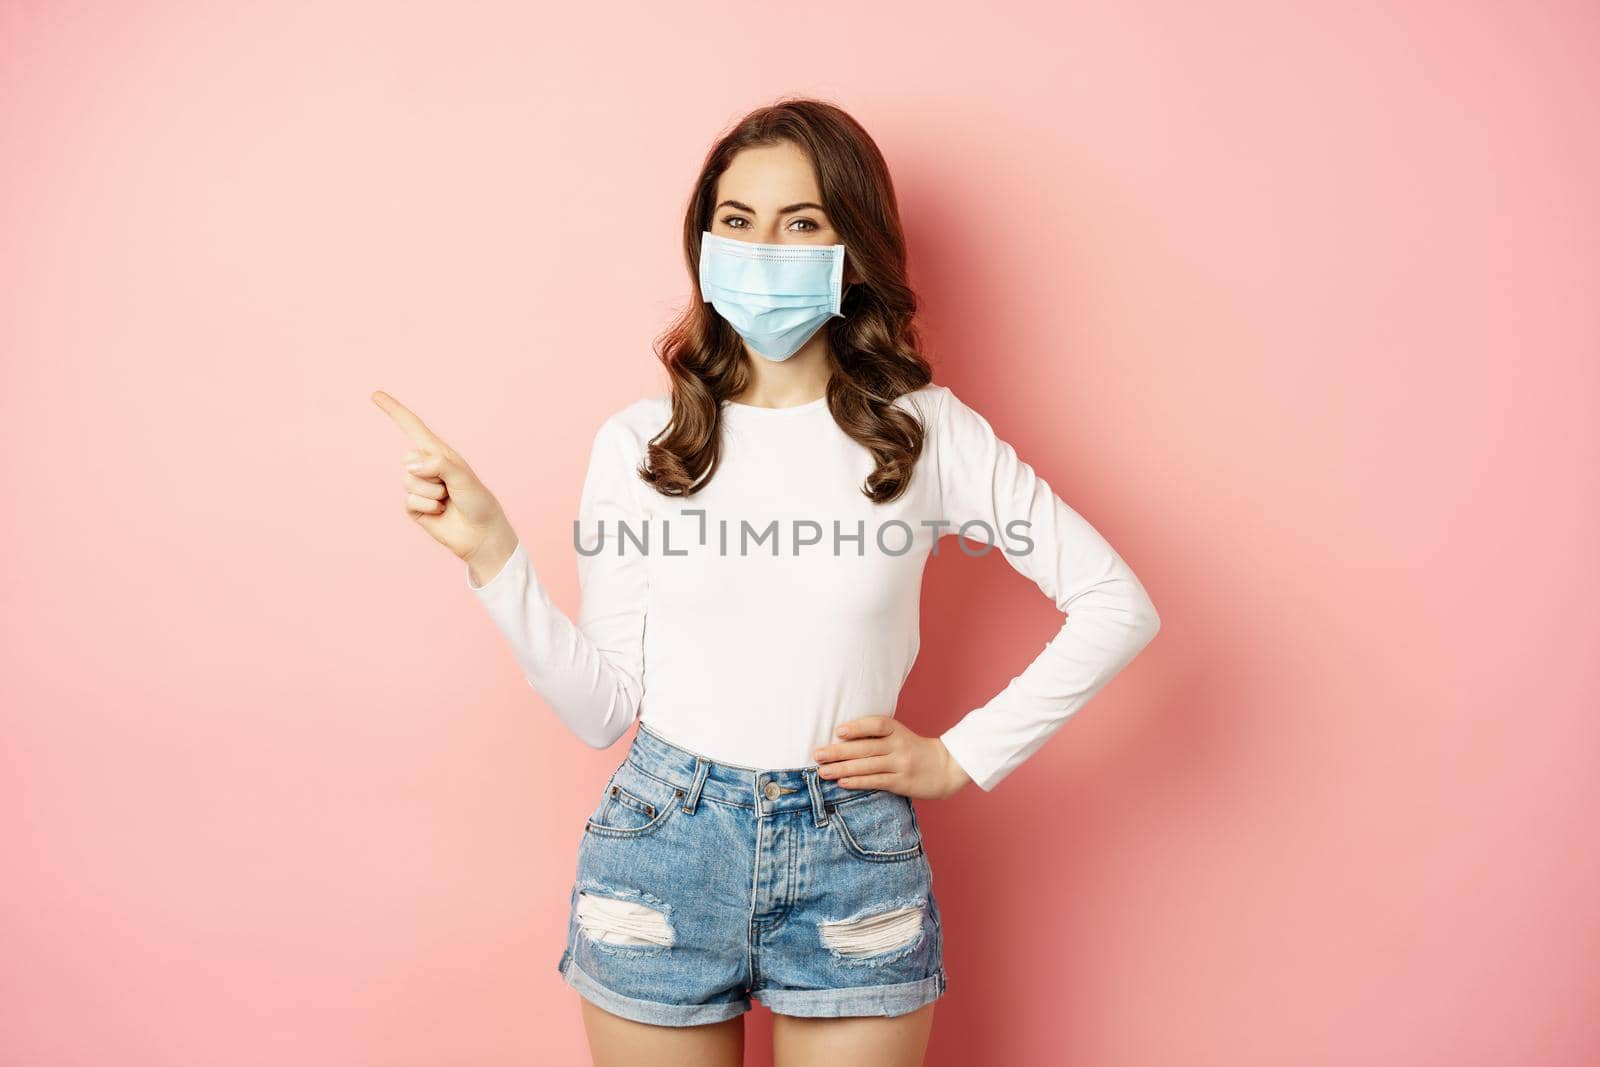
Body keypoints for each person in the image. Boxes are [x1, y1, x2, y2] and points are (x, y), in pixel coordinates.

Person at [373, 96, 1160, 1067]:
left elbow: (1115, 603)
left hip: (852, 850)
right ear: (704, 241)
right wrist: (491, 551)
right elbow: (599, 708)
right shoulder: (641, 442)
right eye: (737, 221)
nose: (762, 248)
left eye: (802, 224)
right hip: (661, 841)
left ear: (853, 249)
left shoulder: (928, 433)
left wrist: (960, 756)